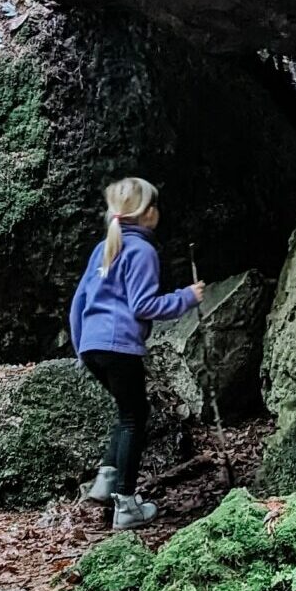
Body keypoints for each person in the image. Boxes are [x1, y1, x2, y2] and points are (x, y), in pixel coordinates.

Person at [69, 177, 203, 527]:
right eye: (155, 206)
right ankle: (125, 505)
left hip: (93, 345)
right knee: (134, 417)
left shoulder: (104, 248)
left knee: (129, 410)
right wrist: (186, 297)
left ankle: (107, 479)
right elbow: (144, 305)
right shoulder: (142, 251)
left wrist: (82, 346)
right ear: (147, 214)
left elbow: (78, 302)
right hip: (119, 344)